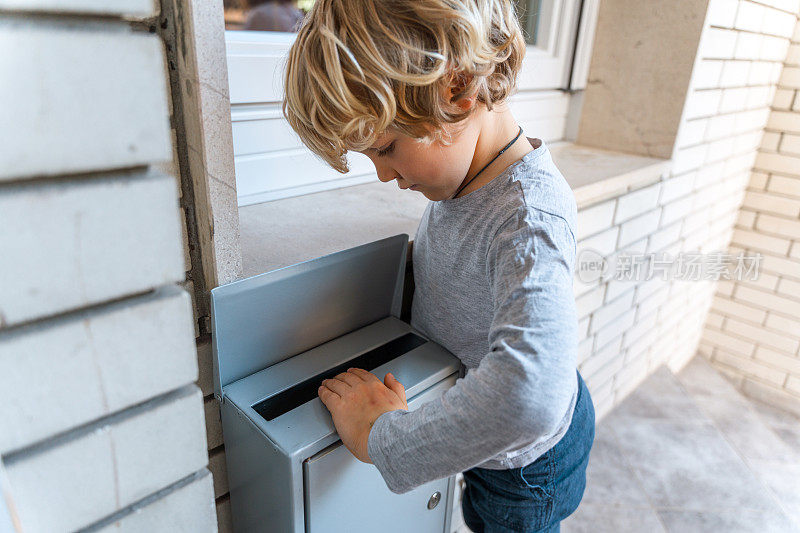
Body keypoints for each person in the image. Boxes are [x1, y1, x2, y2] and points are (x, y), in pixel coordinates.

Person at [281, 1, 595, 531]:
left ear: (456, 90)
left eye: (386, 148)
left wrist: (384, 438)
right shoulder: (470, 179)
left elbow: (530, 395)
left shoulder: (527, 217)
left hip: (524, 468)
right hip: (493, 435)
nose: (383, 175)